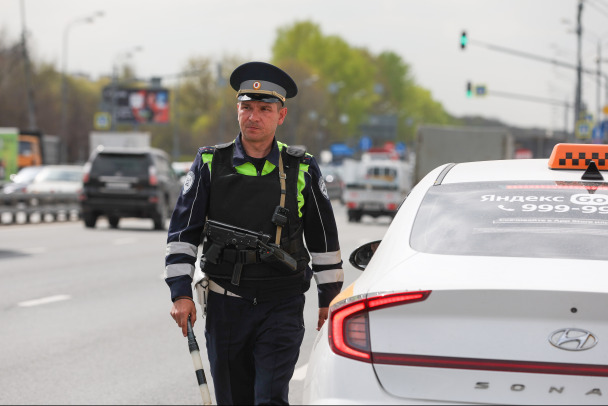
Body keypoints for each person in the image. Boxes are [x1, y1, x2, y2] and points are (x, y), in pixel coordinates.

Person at [165, 61, 344, 405]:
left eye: (264, 109)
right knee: (234, 399)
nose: (254, 116)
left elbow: (323, 239)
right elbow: (182, 235)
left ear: (281, 115)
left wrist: (329, 297)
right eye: (247, 108)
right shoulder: (209, 163)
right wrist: (180, 294)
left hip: (282, 304)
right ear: (237, 111)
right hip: (226, 304)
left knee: (270, 397)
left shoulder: (301, 166)